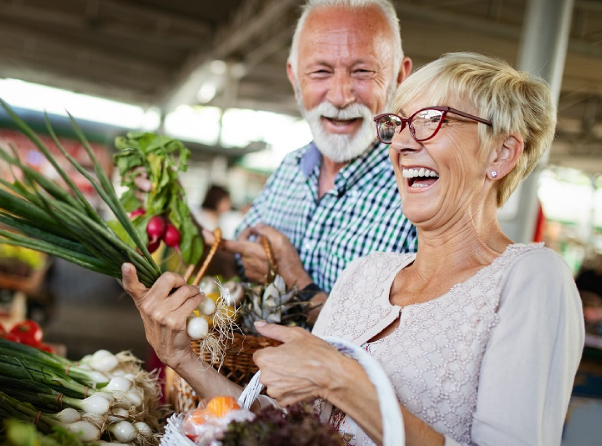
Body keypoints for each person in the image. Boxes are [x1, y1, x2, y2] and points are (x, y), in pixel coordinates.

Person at [121, 52, 584, 445]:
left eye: (428, 121)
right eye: (398, 124)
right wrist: (182, 358)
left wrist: (342, 381)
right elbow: (291, 428)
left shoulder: (531, 278)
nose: (401, 142)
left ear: (501, 154)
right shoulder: (366, 274)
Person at [208, 0, 417, 319]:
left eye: (362, 71)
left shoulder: (418, 190)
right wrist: (187, 235)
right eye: (320, 72)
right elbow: (237, 266)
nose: (339, 96)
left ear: (400, 77)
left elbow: (402, 341)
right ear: (294, 79)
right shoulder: (291, 167)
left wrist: (294, 281)